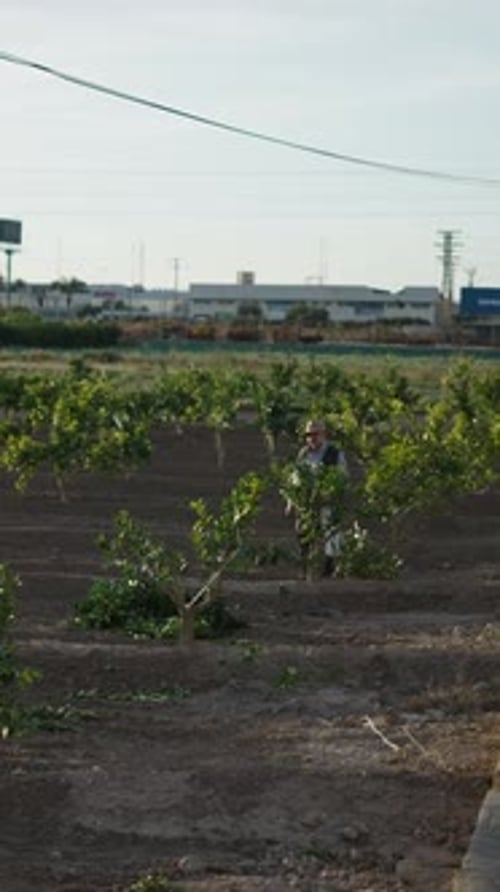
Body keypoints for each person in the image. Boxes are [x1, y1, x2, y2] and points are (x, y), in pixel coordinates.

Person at [290, 418, 348, 577]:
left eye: (315, 434)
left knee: (331, 535)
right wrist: (292, 500)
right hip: (307, 501)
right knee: (304, 534)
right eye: (308, 434)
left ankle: (330, 569)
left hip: (327, 501)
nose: (311, 438)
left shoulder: (334, 454)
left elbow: (341, 478)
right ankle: (306, 569)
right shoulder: (303, 454)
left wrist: (329, 493)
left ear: (324, 435)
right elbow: (295, 477)